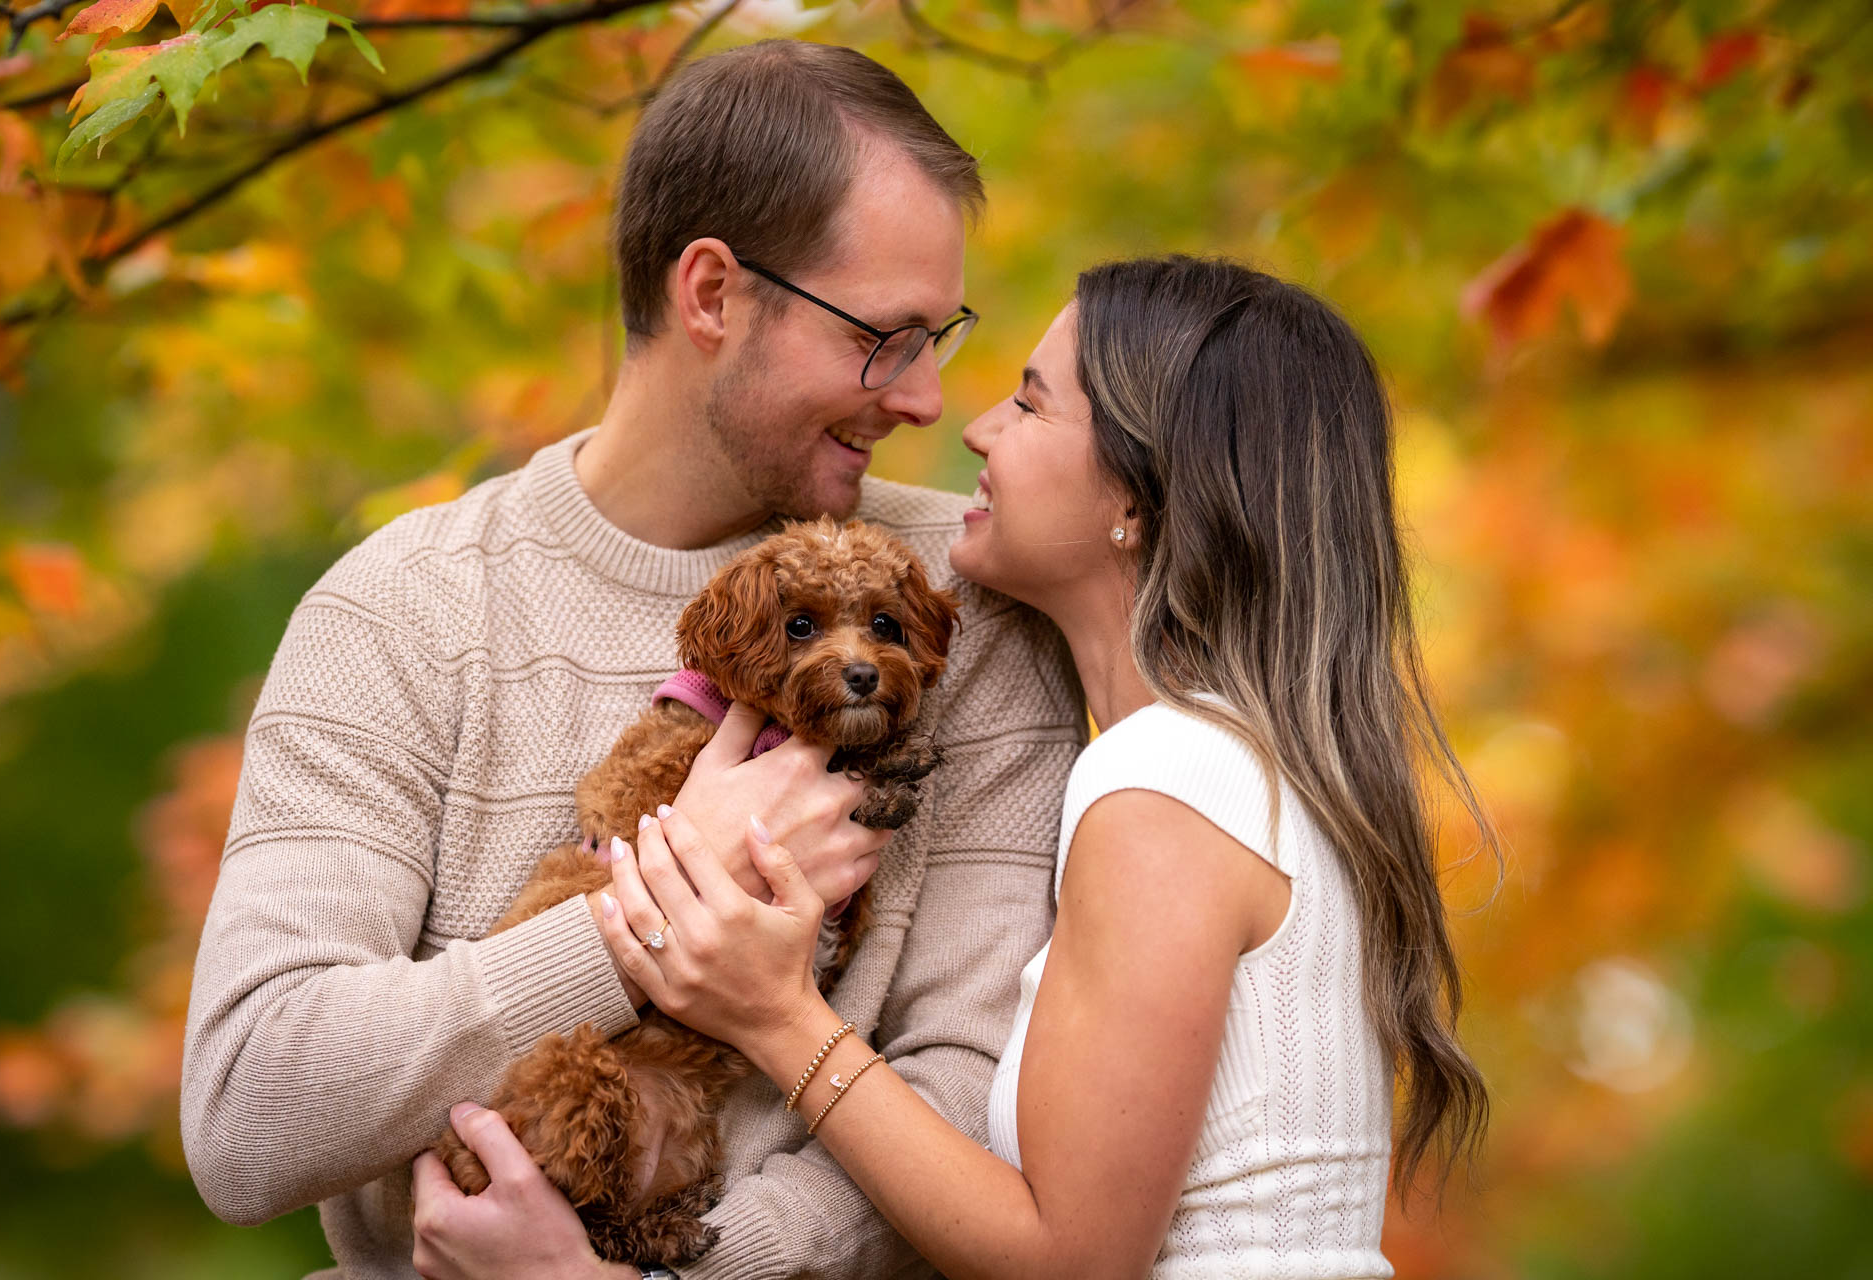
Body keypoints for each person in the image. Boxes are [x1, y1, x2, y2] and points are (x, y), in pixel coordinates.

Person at [179, 39, 1088, 1280]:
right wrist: (647, 909)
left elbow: (973, 1094)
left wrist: (665, 1275)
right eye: (886, 337)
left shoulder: (956, 607)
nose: (928, 398)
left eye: (942, 335)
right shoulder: (398, 608)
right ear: (711, 293)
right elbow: (249, 1108)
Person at [416, 256, 1495, 1278]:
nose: (975, 425)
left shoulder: (1170, 786)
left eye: (1029, 404)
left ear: (1137, 495)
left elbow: (1071, 1259)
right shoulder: (1220, 768)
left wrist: (772, 1011)